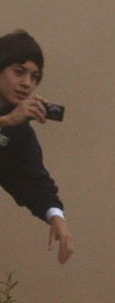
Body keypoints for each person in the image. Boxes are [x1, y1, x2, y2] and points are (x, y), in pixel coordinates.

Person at [0, 30, 74, 264]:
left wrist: (56, 217)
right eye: (19, 72)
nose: (27, 83)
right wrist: (6, 121)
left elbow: (32, 180)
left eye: (35, 77)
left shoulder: (18, 129)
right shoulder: (12, 121)